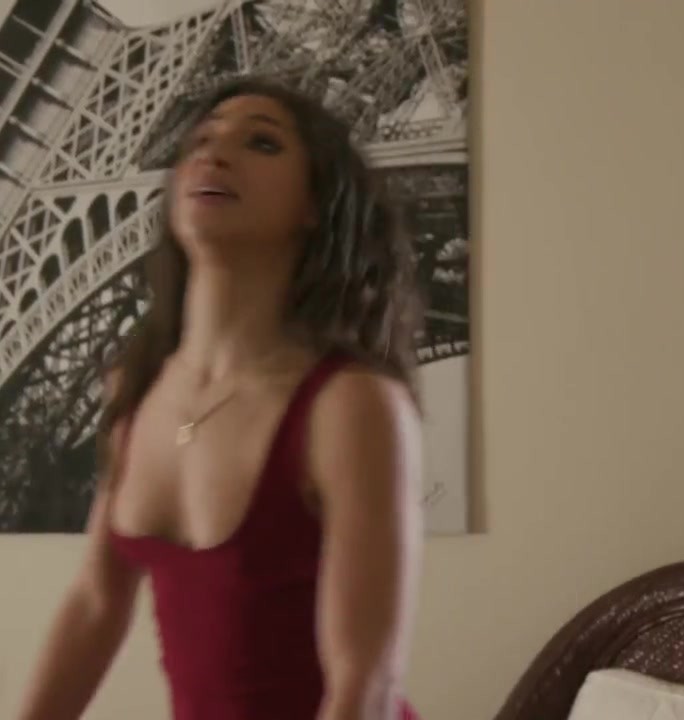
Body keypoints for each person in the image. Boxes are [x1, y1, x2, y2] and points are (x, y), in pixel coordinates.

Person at [16, 77, 426, 720]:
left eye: (261, 142)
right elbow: (97, 603)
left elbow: (364, 688)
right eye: (199, 140)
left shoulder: (351, 405)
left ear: (314, 204)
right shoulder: (135, 388)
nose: (213, 154)